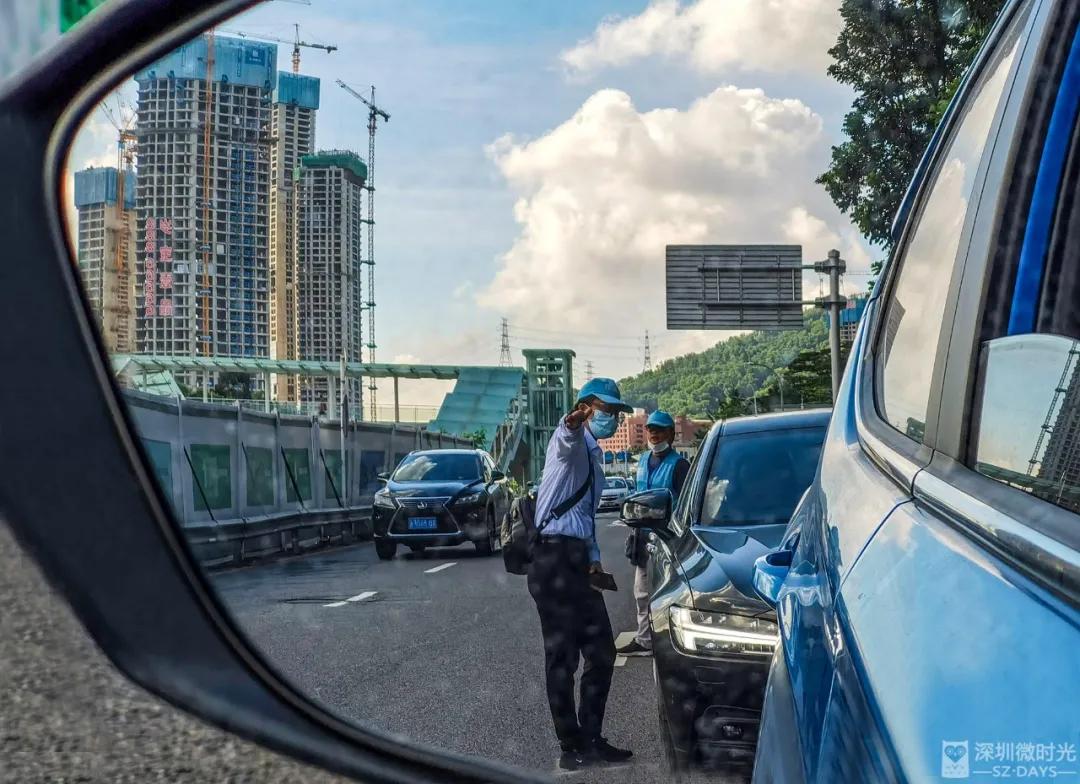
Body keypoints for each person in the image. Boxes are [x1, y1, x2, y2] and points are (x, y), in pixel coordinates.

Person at [529, 377, 635, 771]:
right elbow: (564, 438)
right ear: (585, 408)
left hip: (575, 561)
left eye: (614, 412)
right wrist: (572, 422)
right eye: (604, 410)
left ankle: (590, 738)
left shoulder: (594, 455)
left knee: (602, 651)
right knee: (562, 657)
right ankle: (570, 744)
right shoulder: (571, 445)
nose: (610, 417)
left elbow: (585, 517)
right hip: (553, 560)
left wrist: (593, 559)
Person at [617, 410, 690, 658]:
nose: (654, 433)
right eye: (650, 428)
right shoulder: (643, 461)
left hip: (668, 538)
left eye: (659, 429)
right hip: (642, 535)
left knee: (670, 591)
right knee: (641, 592)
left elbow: (685, 505)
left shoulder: (679, 465)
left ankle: (671, 640)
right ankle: (645, 639)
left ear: (671, 433)